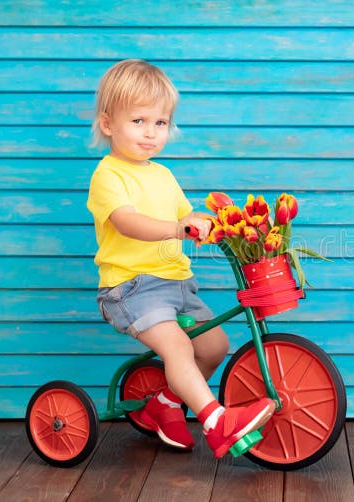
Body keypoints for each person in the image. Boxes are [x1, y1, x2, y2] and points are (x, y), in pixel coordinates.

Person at [86, 59, 275, 458]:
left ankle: (166, 406)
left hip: (175, 284)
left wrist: (211, 223)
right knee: (178, 348)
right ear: (108, 124)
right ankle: (217, 421)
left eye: (160, 123)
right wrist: (177, 228)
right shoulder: (109, 175)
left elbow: (184, 217)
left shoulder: (163, 175)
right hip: (131, 287)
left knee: (215, 345)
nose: (151, 133)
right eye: (138, 121)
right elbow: (127, 222)